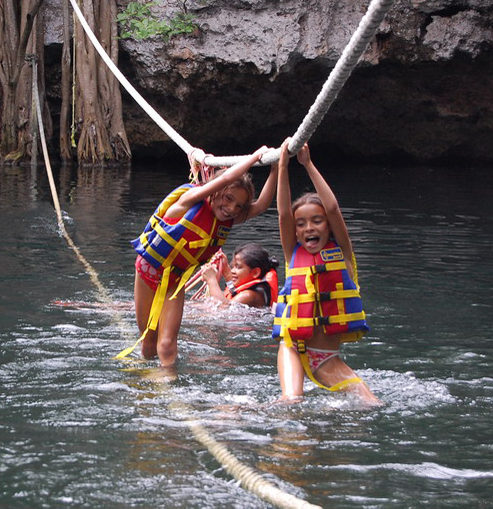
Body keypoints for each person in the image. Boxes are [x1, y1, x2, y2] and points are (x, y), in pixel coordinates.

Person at [122, 147, 278, 367]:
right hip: (149, 270)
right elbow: (231, 176)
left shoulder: (226, 220)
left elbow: (261, 205)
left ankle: (168, 384)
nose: (232, 209)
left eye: (239, 205)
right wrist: (254, 158)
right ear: (216, 190)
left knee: (166, 344)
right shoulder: (190, 200)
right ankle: (148, 382)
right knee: (149, 339)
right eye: (228, 199)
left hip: (175, 282)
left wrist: (275, 168)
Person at [272, 138, 381, 405]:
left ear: (328, 227)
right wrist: (283, 166)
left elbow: (332, 208)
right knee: (291, 402)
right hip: (292, 349)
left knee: (371, 404)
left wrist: (307, 164)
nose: (309, 228)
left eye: (317, 221)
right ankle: (236, 410)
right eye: (302, 224)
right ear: (296, 232)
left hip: (326, 356)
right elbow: (284, 214)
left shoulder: (343, 255)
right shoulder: (292, 254)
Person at [200, 243, 279, 309]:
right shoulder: (255, 290)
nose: (232, 271)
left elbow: (222, 308)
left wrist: (211, 280)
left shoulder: (249, 295)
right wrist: (226, 271)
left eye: (238, 267)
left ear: (255, 273)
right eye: (233, 266)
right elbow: (233, 293)